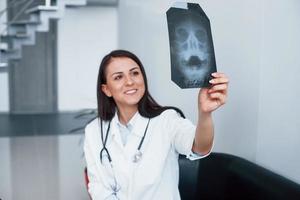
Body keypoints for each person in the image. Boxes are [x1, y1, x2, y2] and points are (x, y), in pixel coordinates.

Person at [84, 49, 229, 200]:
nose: (129, 81)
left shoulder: (167, 120)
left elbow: (200, 147)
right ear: (106, 89)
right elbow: (99, 188)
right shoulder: (94, 131)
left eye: (134, 73)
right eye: (118, 77)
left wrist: (205, 113)